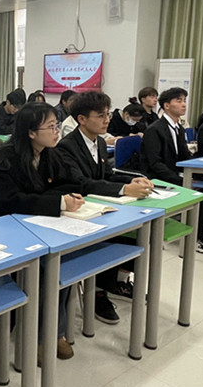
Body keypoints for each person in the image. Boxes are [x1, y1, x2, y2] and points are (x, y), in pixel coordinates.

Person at [0, 102, 85, 361]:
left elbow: (68, 183)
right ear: (30, 132)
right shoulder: (7, 158)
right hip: (6, 227)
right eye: (50, 127)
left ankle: (55, 332)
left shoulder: (51, 154)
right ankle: (39, 337)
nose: (56, 131)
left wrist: (58, 198)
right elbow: (11, 200)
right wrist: (57, 201)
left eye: (57, 125)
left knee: (61, 262)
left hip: (38, 223)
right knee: (43, 268)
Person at [57, 91, 153, 322]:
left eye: (108, 114)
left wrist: (131, 180)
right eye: (100, 116)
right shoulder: (66, 146)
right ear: (82, 119)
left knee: (137, 235)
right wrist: (124, 190)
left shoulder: (99, 141)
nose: (107, 120)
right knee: (110, 241)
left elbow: (106, 175)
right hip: (76, 212)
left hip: (100, 208)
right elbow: (82, 183)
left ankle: (112, 282)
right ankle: (98, 292)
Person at [140, 87, 203, 254]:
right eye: (179, 101)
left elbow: (184, 156)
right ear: (166, 105)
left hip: (174, 173)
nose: (184, 105)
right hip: (157, 178)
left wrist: (200, 172)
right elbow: (155, 164)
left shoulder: (179, 128)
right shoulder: (154, 129)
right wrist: (182, 181)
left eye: (184, 101)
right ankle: (195, 239)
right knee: (201, 197)